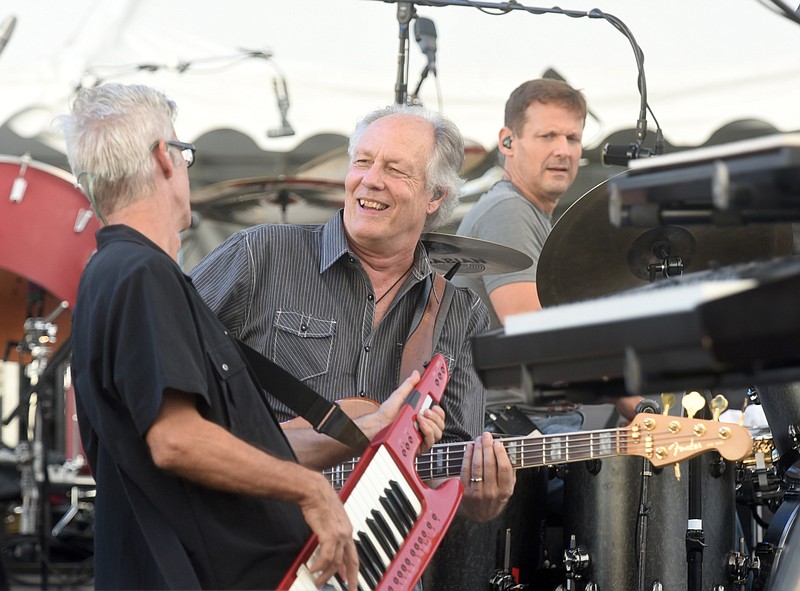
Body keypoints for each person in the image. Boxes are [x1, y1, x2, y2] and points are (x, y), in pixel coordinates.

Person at [58, 83, 446, 590]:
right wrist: (312, 491)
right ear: (164, 159)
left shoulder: (133, 274)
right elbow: (175, 440)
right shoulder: (138, 274)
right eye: (183, 150)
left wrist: (369, 427)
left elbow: (233, 445)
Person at [190, 104, 517, 588]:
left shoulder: (458, 311)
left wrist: (481, 497)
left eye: (395, 169)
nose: (370, 180)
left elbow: (449, 461)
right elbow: (166, 370)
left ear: (436, 197)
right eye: (362, 162)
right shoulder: (259, 255)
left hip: (377, 564)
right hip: (253, 548)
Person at [455, 78, 641, 424]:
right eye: (548, 136)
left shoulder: (530, 214)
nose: (564, 150)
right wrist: (631, 399)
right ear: (508, 141)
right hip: (514, 428)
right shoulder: (507, 211)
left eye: (572, 138)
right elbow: (537, 338)